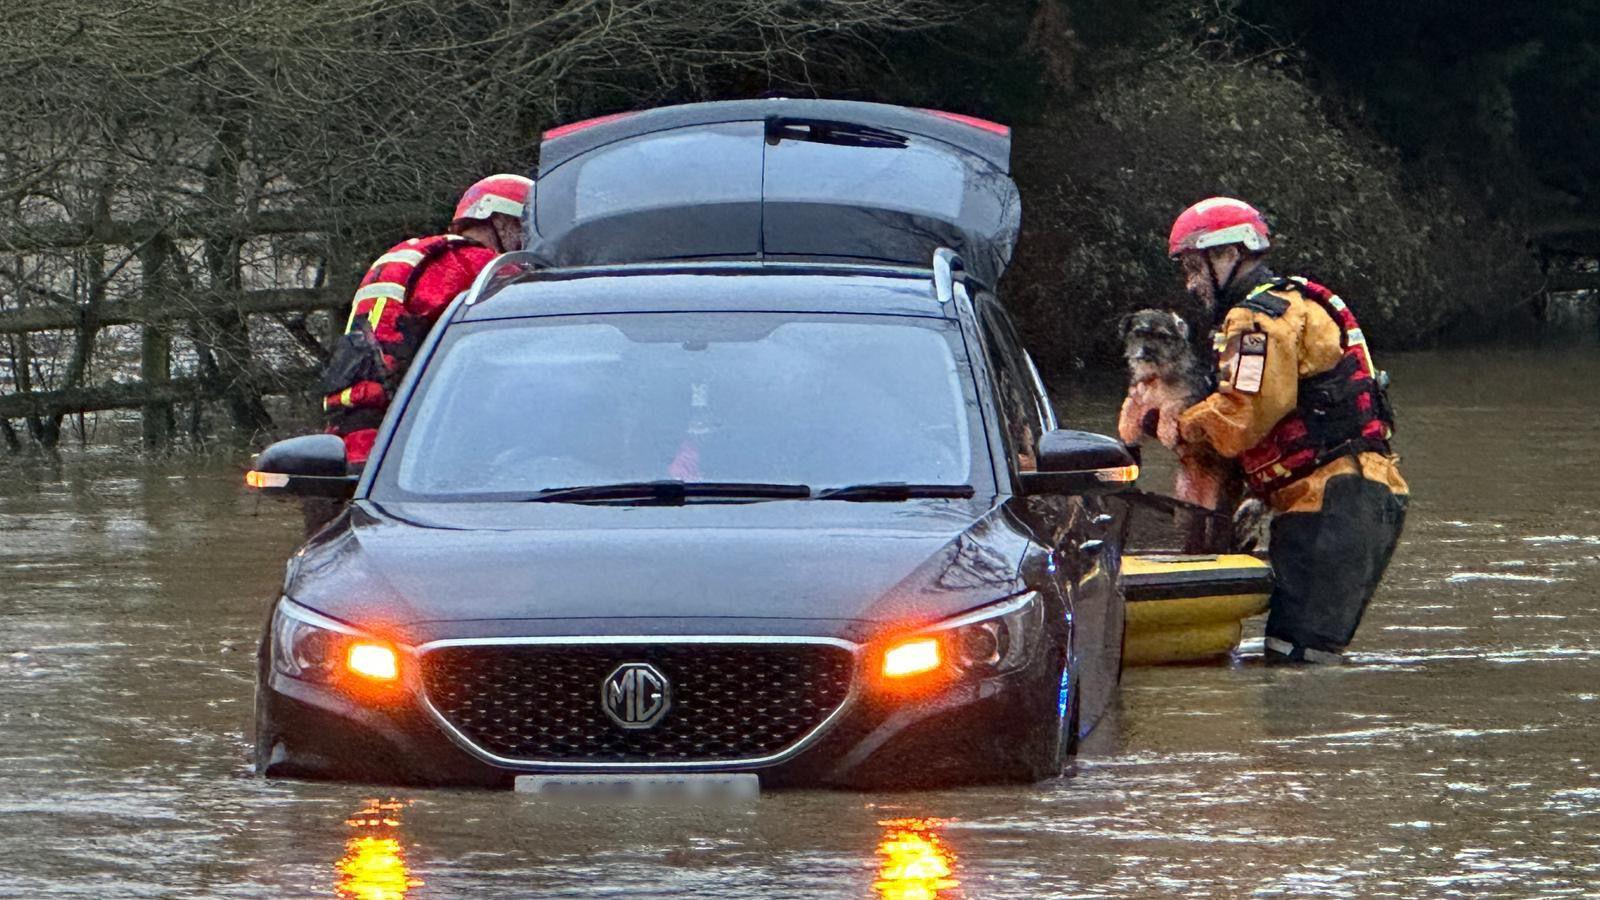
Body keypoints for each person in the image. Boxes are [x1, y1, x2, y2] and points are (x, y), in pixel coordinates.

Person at [1169, 197, 1408, 664]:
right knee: (1296, 658)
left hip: (1333, 501)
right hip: (1350, 496)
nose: (1191, 284)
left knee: (1298, 663)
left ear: (1227, 255)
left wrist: (1181, 424)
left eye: (1195, 267)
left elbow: (1242, 417)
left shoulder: (1258, 322)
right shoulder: (1292, 304)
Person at [321, 174, 532, 466]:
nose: (523, 244)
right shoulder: (479, 267)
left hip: (355, 429)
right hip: (414, 434)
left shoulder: (412, 256)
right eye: (521, 230)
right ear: (500, 223)